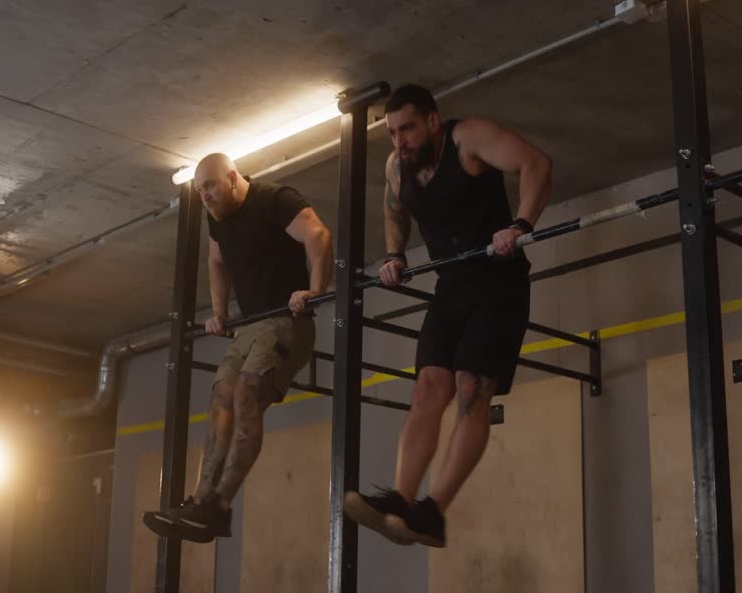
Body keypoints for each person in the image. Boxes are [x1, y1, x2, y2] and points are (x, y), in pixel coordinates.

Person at [344, 84, 552, 547]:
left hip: (499, 282)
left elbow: (535, 163)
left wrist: (520, 225)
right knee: (427, 387)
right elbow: (393, 208)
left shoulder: (468, 139)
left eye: (409, 128)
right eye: (393, 132)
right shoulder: (399, 166)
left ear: (433, 121)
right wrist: (395, 254)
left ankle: (433, 510)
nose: (401, 140)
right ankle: (401, 498)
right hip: (451, 286)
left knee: (471, 390)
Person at [143, 153, 332, 543]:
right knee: (221, 395)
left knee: (246, 392)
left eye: (210, 186)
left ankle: (220, 506)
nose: (206, 197)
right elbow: (216, 262)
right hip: (250, 325)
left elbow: (319, 235)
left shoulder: (275, 199)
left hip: (288, 320)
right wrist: (217, 311)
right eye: (199, 191)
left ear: (232, 177)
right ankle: (201, 499)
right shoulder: (217, 217)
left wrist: (314, 291)